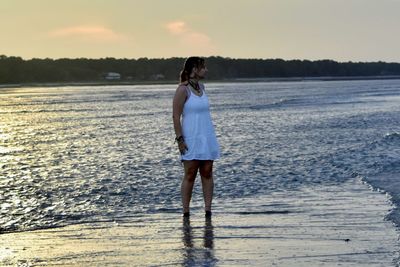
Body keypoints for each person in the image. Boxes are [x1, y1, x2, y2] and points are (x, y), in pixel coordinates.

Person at [172, 57, 220, 218]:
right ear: (194, 69)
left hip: (206, 136)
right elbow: (175, 116)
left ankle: (208, 211)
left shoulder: (202, 87)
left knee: (207, 171)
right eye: (203, 67)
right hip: (190, 137)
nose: (206, 70)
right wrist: (180, 139)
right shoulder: (182, 90)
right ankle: (186, 212)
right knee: (190, 173)